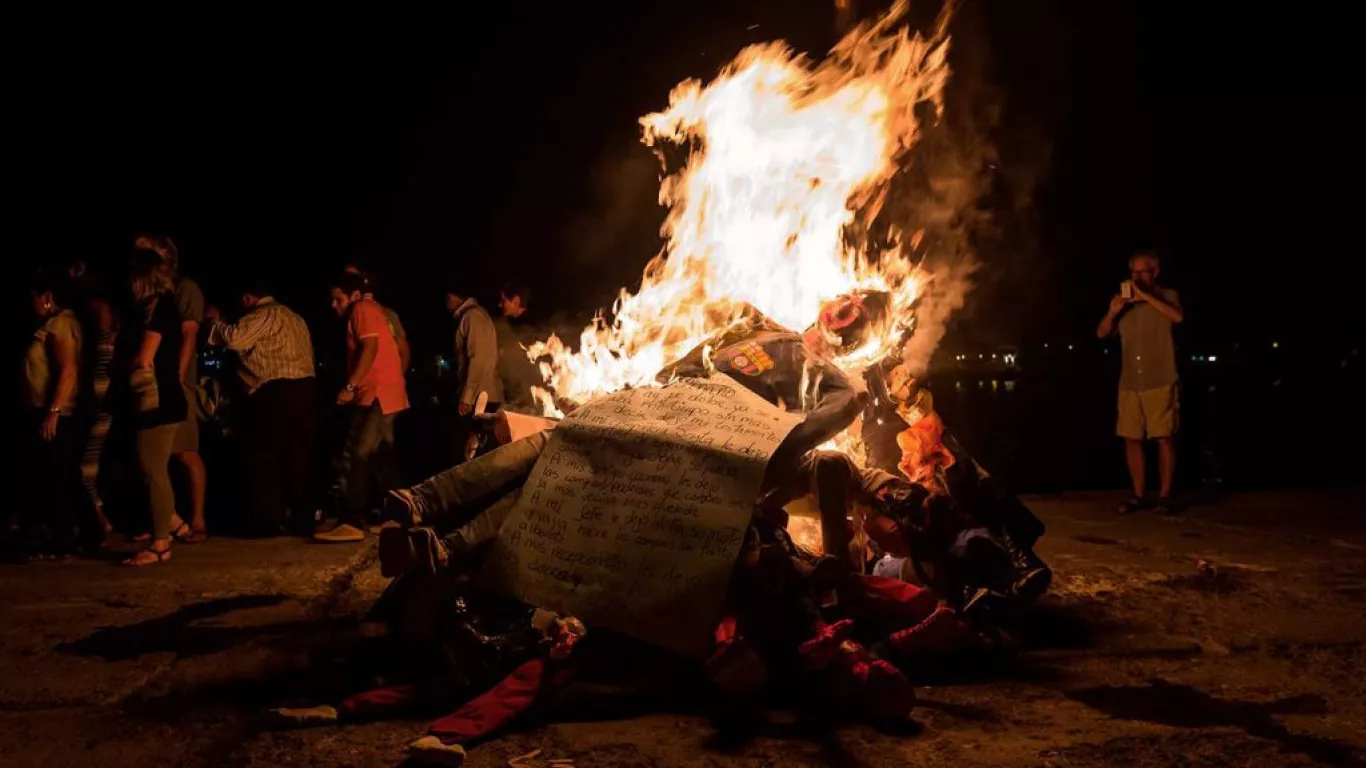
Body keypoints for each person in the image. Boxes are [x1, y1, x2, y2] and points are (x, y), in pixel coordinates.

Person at [205, 276, 317, 536]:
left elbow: (235, 338)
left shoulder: (262, 314)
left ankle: (266, 521)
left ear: (247, 298)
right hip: (305, 389)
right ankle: (303, 519)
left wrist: (213, 323)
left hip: (274, 391)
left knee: (262, 457)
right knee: (298, 456)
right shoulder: (295, 317)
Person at [317, 272, 409, 543]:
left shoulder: (362, 309)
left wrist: (350, 386)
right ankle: (401, 516)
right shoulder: (371, 310)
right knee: (382, 458)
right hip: (383, 392)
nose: (334, 305)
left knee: (358, 455)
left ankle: (352, 521)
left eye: (338, 299)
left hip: (377, 393)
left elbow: (370, 348)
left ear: (354, 295)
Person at [1096, 250, 1184, 515]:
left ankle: (1165, 496)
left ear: (1155, 272)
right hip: (1130, 381)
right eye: (1132, 272)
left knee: (1163, 436)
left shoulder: (1167, 296)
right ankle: (1138, 494)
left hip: (1160, 377)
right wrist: (1112, 312)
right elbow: (1101, 333)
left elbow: (1177, 317)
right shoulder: (1125, 305)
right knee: (1131, 437)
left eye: (1142, 272)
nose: (1136, 277)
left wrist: (1145, 296)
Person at [134, 234, 208, 540]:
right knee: (154, 459)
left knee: (184, 453)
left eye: (145, 253)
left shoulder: (182, 289)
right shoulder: (148, 296)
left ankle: (196, 521)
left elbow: (189, 335)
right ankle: (165, 520)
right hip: (159, 385)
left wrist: (176, 378)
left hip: (174, 384)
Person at [120, 251, 192, 565]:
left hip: (158, 400)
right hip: (164, 398)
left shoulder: (158, 310)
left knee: (153, 470)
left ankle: (161, 543)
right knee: (152, 466)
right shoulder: (159, 308)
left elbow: (145, 358)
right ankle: (172, 522)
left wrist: (119, 366)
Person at [20, 274, 85, 559]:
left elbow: (68, 370)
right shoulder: (52, 324)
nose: (31, 303)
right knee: (59, 474)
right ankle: (82, 533)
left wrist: (54, 411)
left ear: (47, 297)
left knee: (56, 477)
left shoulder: (60, 324)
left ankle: (63, 540)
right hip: (45, 409)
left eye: (34, 297)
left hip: (56, 411)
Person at [446, 284, 502, 461]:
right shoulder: (476, 315)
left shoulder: (472, 316)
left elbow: (478, 358)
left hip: (479, 398)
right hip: (482, 395)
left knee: (468, 453)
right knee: (472, 452)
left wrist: (467, 396)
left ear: (452, 296)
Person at [80, 294, 119, 539]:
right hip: (95, 405)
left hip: (104, 407)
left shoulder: (113, 339)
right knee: (88, 464)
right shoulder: (95, 340)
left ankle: (99, 518)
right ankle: (97, 516)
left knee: (89, 465)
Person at [343, 264, 410, 373]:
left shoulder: (386, 314)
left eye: (352, 279)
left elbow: (404, 351)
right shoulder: (347, 318)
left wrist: (395, 377)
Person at [493, 280, 545, 414]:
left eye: (503, 300)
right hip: (512, 393)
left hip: (528, 395)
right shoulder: (505, 322)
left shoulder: (532, 325)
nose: (499, 304)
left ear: (516, 301)